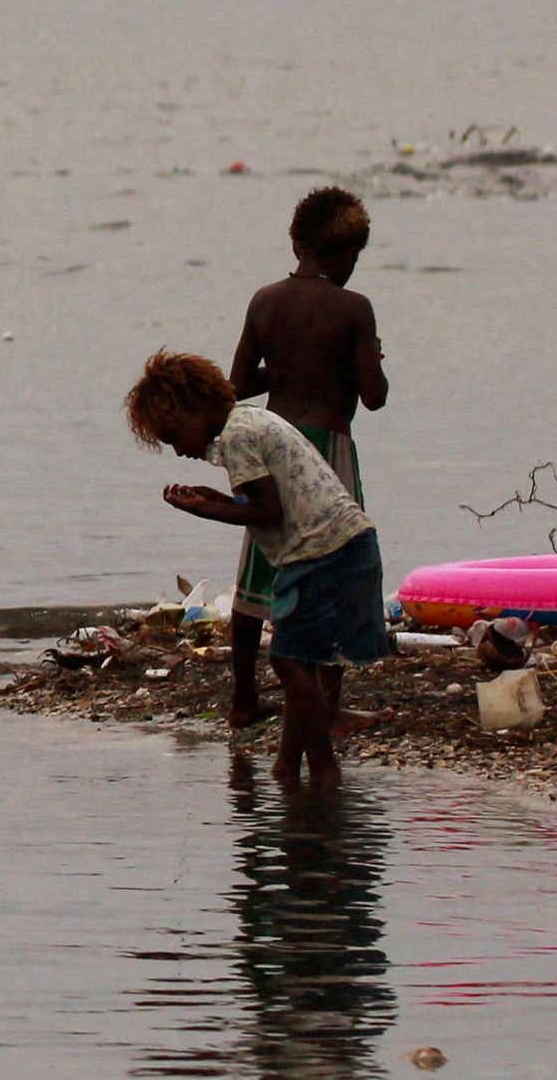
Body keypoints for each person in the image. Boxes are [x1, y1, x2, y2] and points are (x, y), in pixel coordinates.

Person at [126, 350, 386, 787]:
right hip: (347, 544)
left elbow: (265, 513)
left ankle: (324, 772)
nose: (179, 450)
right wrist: (218, 499)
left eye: (174, 436)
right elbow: (270, 502)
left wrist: (207, 511)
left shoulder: (235, 437)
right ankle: (288, 766)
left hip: (322, 552)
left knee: (289, 659)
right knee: (301, 659)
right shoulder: (249, 421)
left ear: (194, 409)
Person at [224, 187, 386, 730]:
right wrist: (368, 355)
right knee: (335, 571)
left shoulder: (265, 300)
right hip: (327, 453)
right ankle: (329, 707)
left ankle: (244, 696)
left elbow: (239, 383)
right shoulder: (354, 308)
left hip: (272, 443)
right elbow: (374, 394)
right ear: (346, 254)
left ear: (296, 241)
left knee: (258, 573)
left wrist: (289, 368)